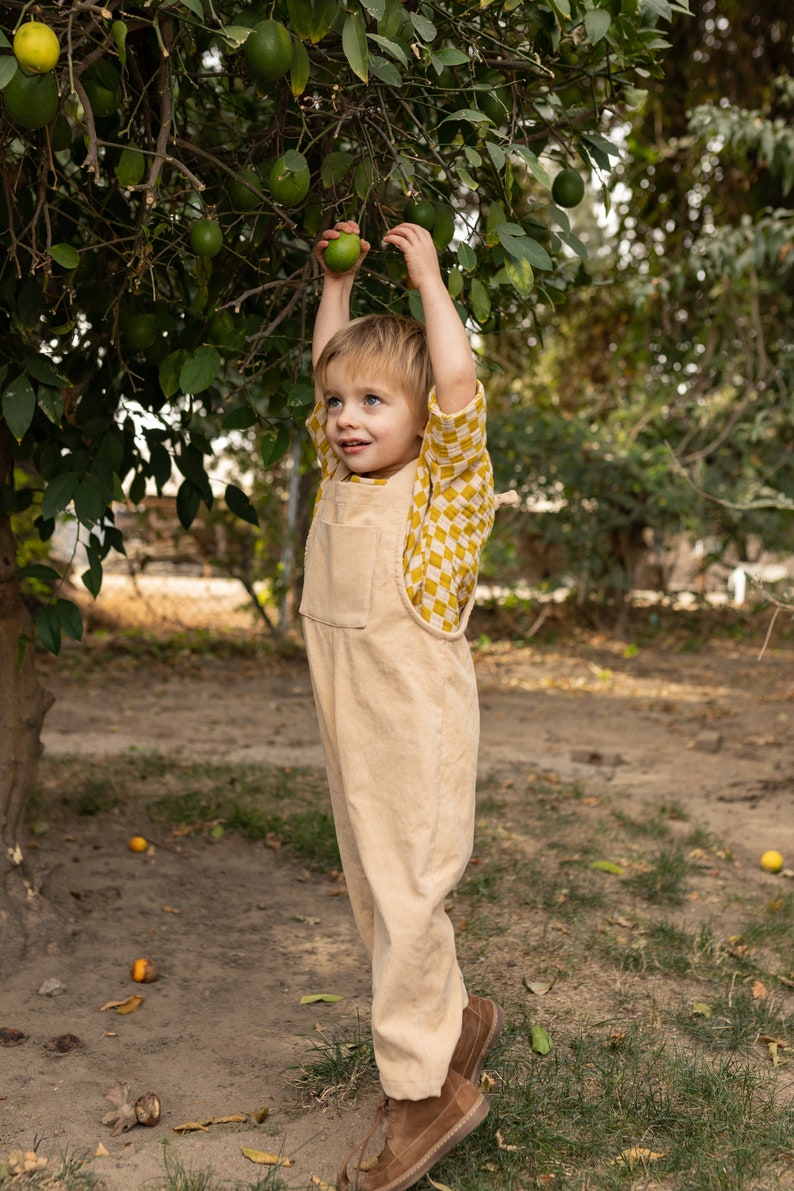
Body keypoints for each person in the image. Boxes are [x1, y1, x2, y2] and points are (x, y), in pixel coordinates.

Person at [300, 218, 504, 1191]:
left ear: (422, 419)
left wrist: (426, 277)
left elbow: (456, 387)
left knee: (407, 899)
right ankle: (457, 1023)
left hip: (414, 745)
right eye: (338, 402)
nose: (346, 415)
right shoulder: (341, 481)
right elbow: (325, 367)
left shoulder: (438, 501)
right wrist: (334, 287)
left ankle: (428, 1097)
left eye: (374, 401)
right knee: (378, 901)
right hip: (355, 747)